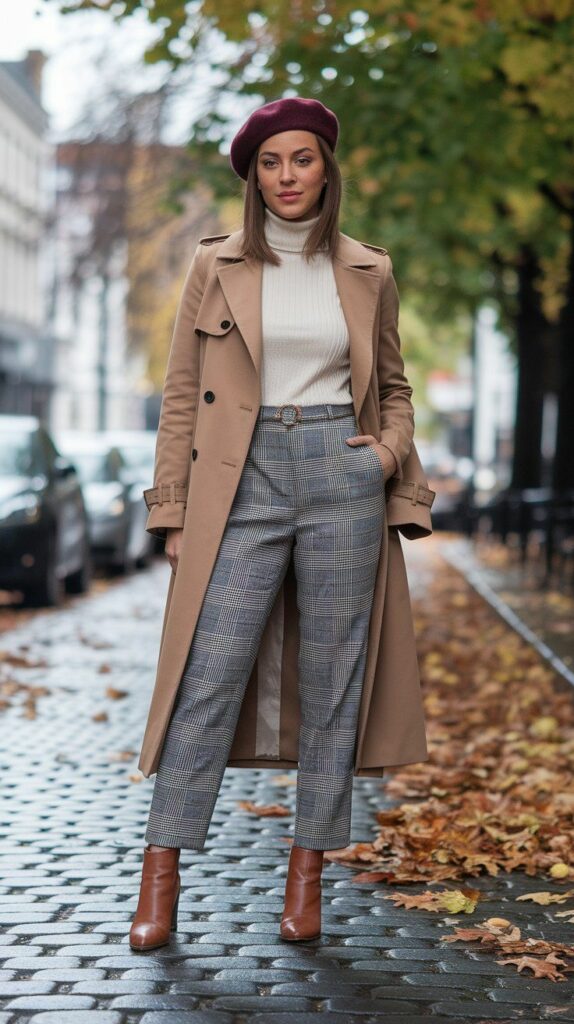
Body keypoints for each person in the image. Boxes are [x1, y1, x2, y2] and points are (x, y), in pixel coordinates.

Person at [129, 96, 432, 952]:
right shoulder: (216, 264)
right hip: (242, 479)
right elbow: (183, 393)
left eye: (302, 159)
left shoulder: (368, 268)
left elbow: (397, 387)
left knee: (334, 683)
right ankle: (160, 876)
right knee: (208, 674)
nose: (288, 176)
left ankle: (308, 878)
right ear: (252, 175)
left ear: (326, 168)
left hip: (343, 474)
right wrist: (173, 510)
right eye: (270, 162)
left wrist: (383, 456)